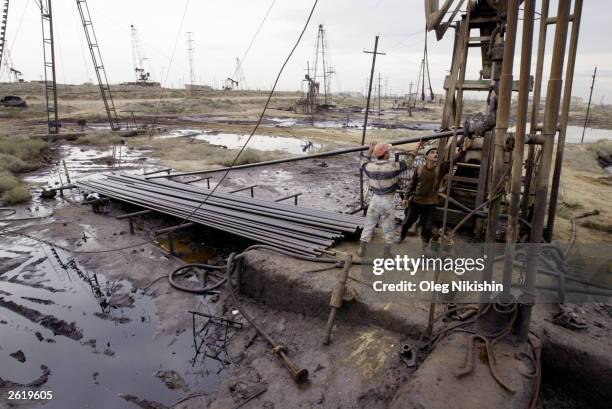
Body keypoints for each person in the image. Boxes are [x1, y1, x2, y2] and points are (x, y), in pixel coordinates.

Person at [398, 138, 472, 247]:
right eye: (432, 152)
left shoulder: (440, 168)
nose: (435, 154)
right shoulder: (419, 169)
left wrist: (464, 150)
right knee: (407, 222)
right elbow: (411, 185)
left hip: (430, 203)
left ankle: (425, 246)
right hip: (416, 201)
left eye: (436, 152)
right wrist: (405, 197)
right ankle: (402, 236)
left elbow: (453, 161)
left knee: (427, 227)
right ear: (426, 156)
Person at [358, 141, 416, 258]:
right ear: (385, 154)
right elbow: (409, 161)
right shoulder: (392, 167)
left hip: (375, 199)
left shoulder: (370, 167)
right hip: (387, 201)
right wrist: (417, 147)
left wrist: (370, 150)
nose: (389, 153)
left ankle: (362, 250)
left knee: (369, 224)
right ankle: (387, 253)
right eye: (388, 151)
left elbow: (363, 161)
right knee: (388, 227)